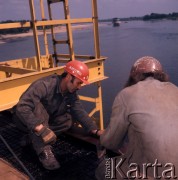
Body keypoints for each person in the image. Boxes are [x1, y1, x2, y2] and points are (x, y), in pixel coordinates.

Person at [96, 56, 178, 179]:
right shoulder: (175, 90)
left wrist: (103, 136)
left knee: (103, 169)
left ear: (133, 76)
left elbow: (111, 143)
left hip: (154, 173)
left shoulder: (126, 94)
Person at [13, 60, 103, 170]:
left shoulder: (70, 92)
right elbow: (22, 107)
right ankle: (43, 151)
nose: (80, 87)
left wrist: (96, 131)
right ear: (69, 77)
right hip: (24, 120)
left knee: (67, 121)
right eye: (79, 82)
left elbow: (79, 111)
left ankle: (32, 137)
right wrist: (40, 129)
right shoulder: (44, 85)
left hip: (42, 122)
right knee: (39, 108)